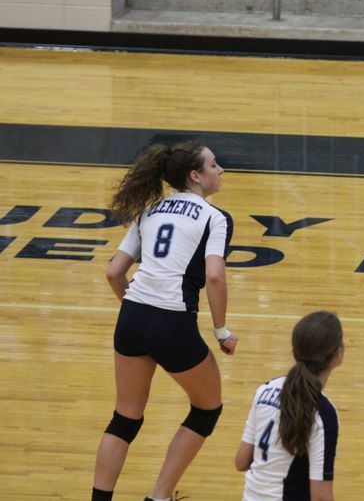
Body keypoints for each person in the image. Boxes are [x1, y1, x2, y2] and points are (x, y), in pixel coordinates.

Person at [91, 141, 237, 501]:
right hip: (172, 321)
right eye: (214, 165)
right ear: (195, 176)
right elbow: (214, 276)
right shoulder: (215, 217)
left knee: (125, 418)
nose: (220, 170)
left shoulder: (149, 210)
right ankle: (158, 497)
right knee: (206, 409)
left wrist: (137, 312)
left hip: (132, 316)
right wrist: (221, 331)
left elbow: (113, 272)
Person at [235, 311, 344, 501]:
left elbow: (241, 461)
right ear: (338, 354)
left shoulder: (265, 390)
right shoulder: (323, 413)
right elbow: (320, 497)